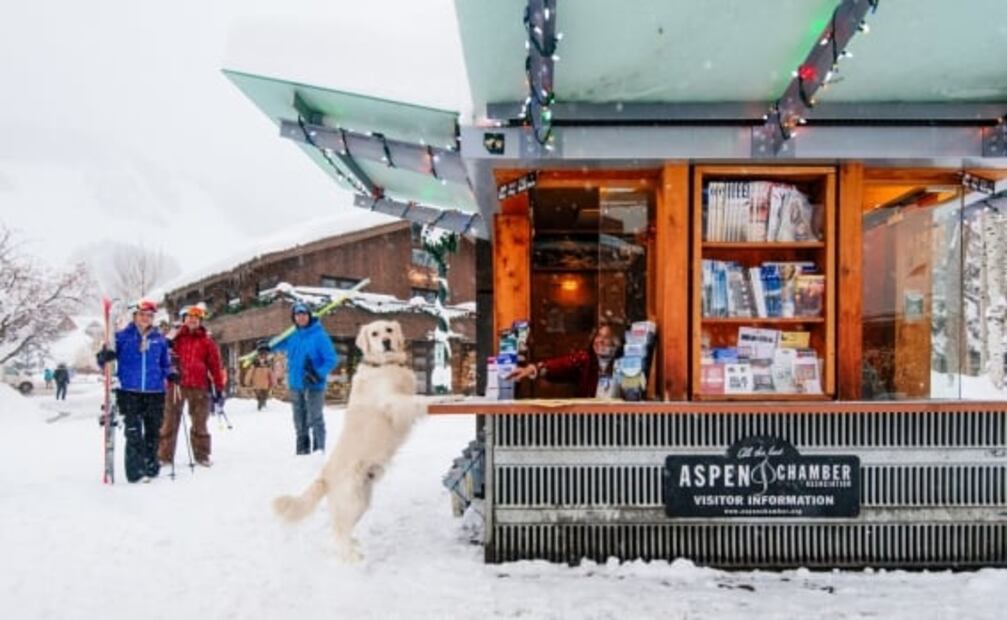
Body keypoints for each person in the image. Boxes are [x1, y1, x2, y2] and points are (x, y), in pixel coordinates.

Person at [96, 299, 173, 483]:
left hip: (155, 392)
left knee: (154, 431)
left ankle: (151, 467)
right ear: (134, 316)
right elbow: (103, 361)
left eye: (149, 316)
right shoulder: (121, 337)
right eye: (142, 315)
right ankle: (135, 472)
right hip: (129, 391)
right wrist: (103, 356)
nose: (146, 318)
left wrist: (171, 373)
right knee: (133, 432)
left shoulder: (159, 339)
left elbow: (166, 364)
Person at [157, 305, 225, 468]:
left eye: (196, 318)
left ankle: (202, 455)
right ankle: (164, 456)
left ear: (200, 321)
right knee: (169, 422)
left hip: (199, 386)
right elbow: (162, 357)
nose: (192, 320)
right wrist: (167, 343)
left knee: (200, 422)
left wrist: (219, 387)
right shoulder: (174, 338)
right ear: (184, 320)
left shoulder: (207, 342)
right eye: (189, 317)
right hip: (177, 385)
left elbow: (215, 366)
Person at [272, 302, 338, 454]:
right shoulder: (293, 336)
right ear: (294, 317)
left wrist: (318, 373)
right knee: (299, 421)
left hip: (314, 385)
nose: (301, 317)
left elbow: (331, 359)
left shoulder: (319, 336)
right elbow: (276, 344)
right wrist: (266, 345)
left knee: (315, 418)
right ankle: (302, 451)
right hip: (296, 385)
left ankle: (319, 450)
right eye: (297, 315)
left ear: (309, 316)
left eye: (304, 314)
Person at [506, 322, 624, 398]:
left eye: (606, 337)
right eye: (598, 335)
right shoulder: (585, 360)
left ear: (616, 343)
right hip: (588, 420)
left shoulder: (625, 363)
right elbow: (562, 365)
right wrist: (534, 368)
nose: (599, 340)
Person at [247, 340, 275, 411]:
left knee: (265, 395)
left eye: (265, 354)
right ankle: (260, 405)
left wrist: (273, 382)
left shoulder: (268, 363)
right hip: (256, 383)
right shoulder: (255, 363)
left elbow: (271, 373)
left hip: (265, 383)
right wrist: (247, 380)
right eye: (262, 354)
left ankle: (263, 404)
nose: (263, 356)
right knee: (259, 395)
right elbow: (250, 372)